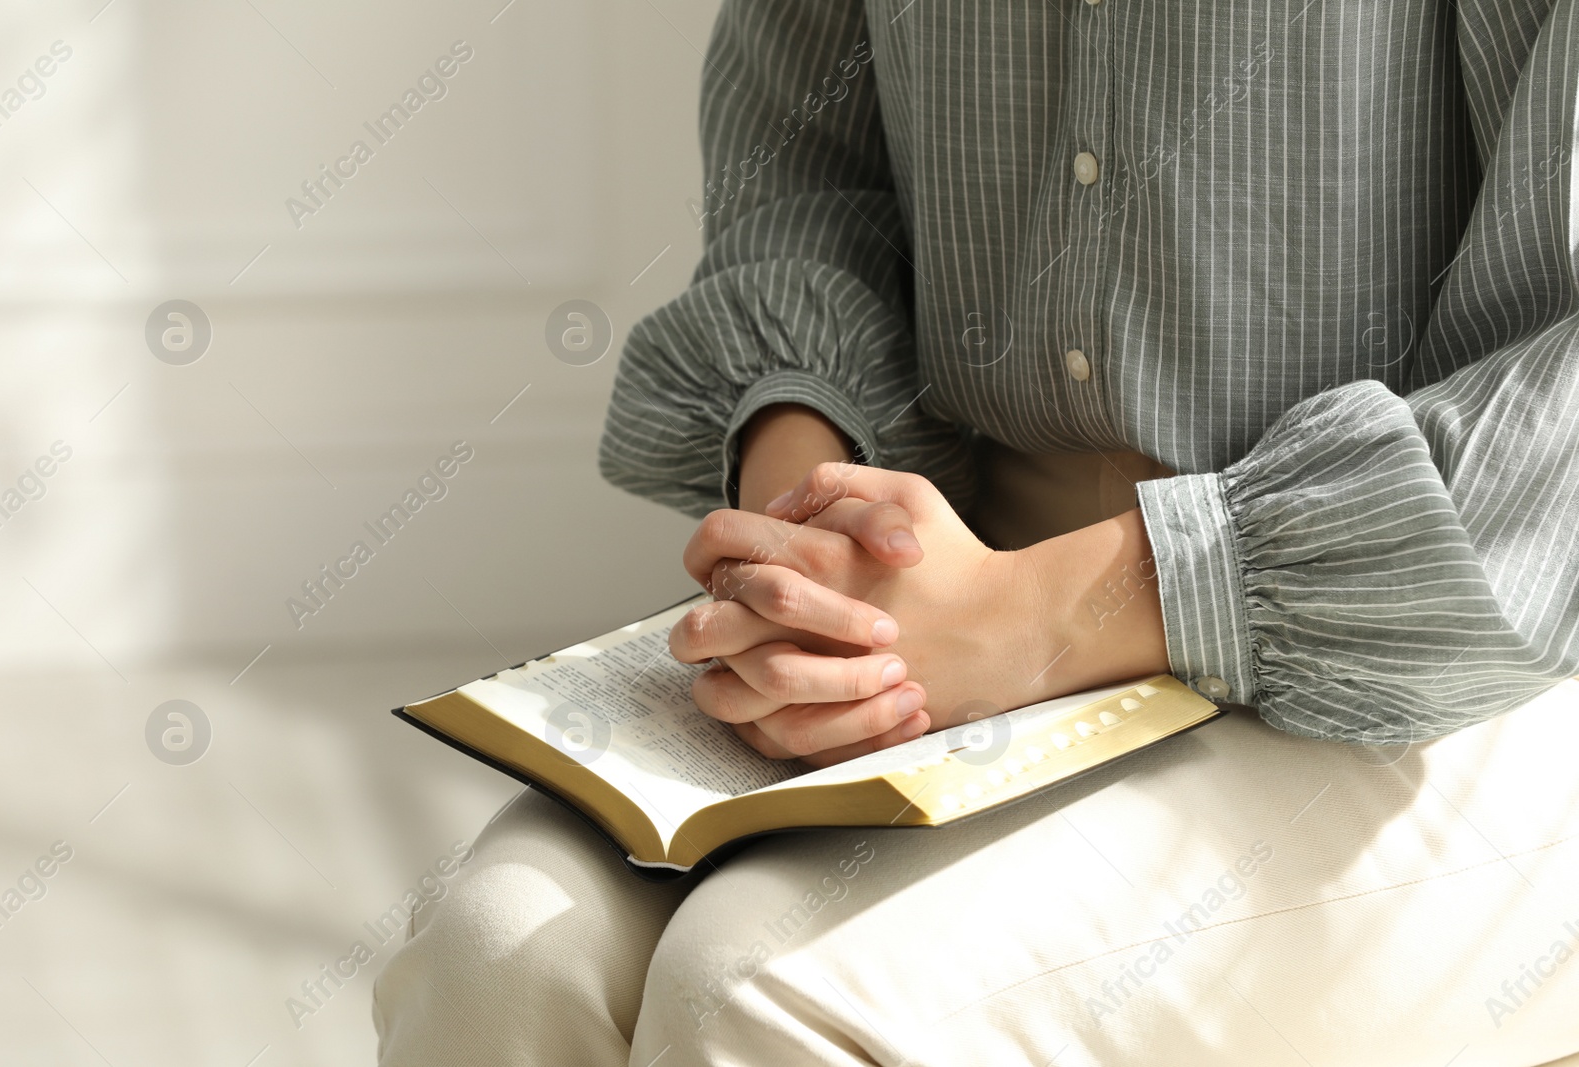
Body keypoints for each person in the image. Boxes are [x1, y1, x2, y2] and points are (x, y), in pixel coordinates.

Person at [374, 2, 1579, 1063]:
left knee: (758, 999)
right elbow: (801, 176)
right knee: (499, 958)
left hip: (1452, 641)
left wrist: (1033, 615)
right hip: (945, 576)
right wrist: (816, 557)